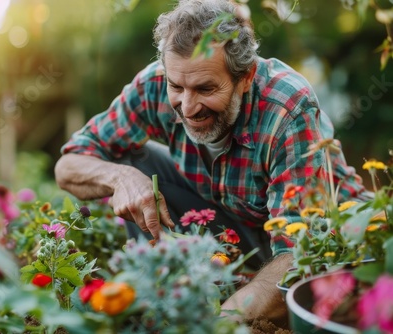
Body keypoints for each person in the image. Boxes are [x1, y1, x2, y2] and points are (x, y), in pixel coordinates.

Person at [55, 0, 368, 325]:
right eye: (177, 87)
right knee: (130, 161)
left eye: (205, 88)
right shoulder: (153, 85)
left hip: (325, 240)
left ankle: (225, 304)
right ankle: (159, 299)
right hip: (234, 226)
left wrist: (220, 324)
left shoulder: (287, 109)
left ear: (245, 78)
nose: (187, 107)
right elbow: (69, 164)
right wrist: (121, 178)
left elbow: (298, 255)